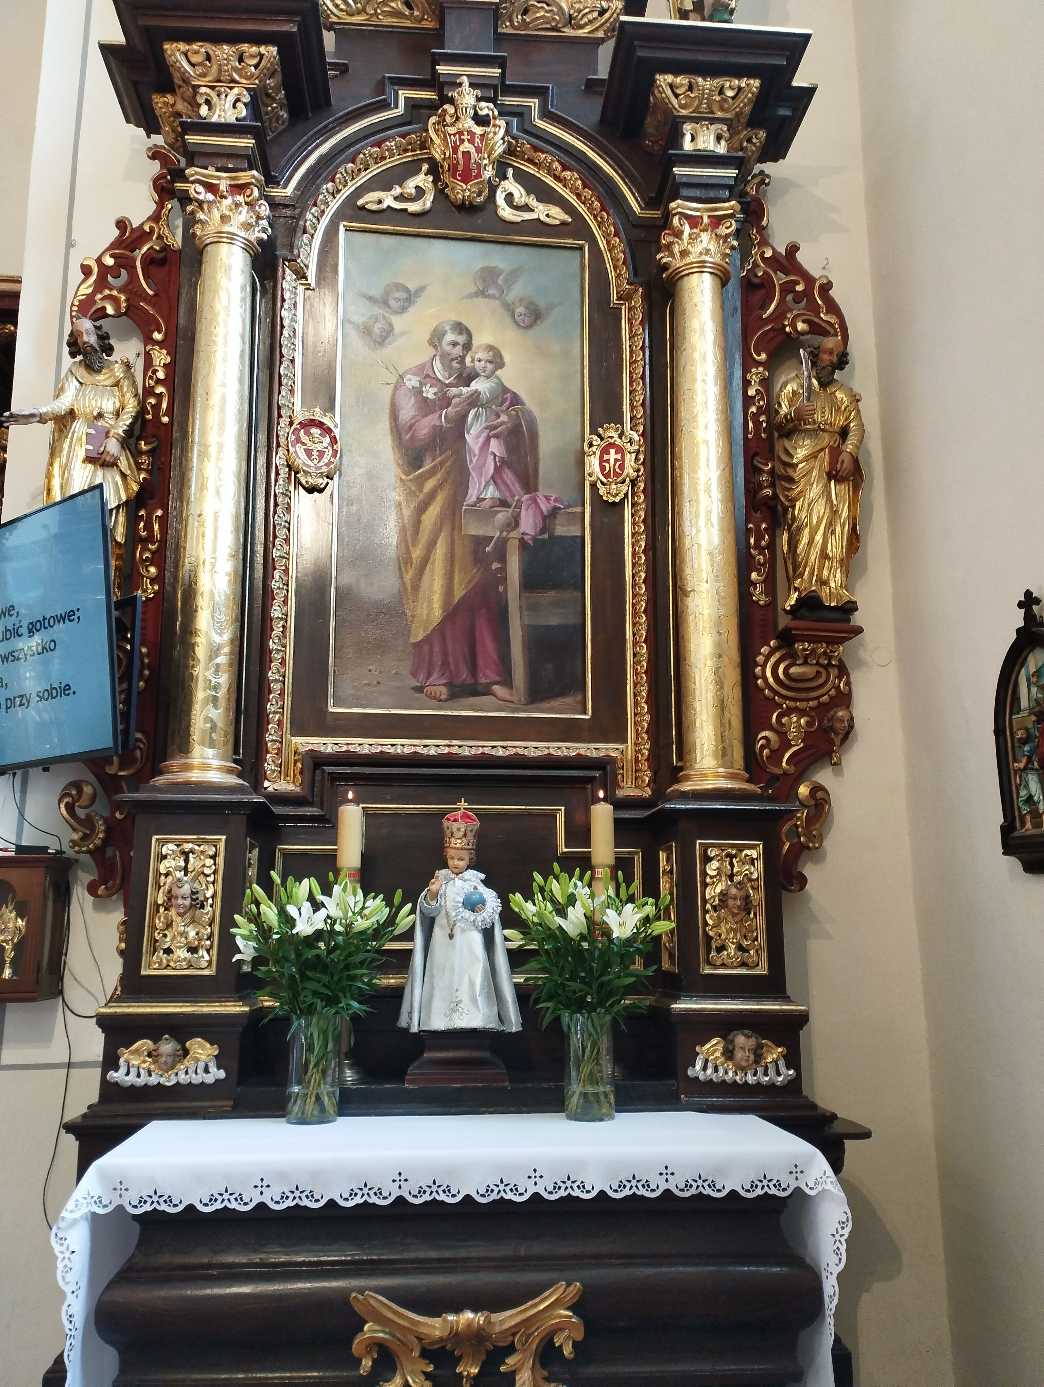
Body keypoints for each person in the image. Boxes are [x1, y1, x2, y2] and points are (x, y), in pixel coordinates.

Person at [390, 320, 520, 703]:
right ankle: (438, 671)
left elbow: (512, 403)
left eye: (465, 345)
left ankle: (488, 674)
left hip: (472, 485)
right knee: (438, 575)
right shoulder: (412, 381)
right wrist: (448, 416)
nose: (460, 352)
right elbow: (409, 434)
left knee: (480, 576)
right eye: (452, 344)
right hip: (430, 490)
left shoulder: (477, 375)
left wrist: (512, 418)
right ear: (435, 344)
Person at [2, 316, 141, 543]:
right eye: (78, 336)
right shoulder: (75, 372)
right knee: (74, 508)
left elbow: (132, 406)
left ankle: (107, 558)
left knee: (107, 509)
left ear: (99, 337)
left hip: (107, 448)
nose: (84, 339)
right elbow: (63, 404)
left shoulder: (120, 372)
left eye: (88, 333)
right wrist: (37, 413)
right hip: (77, 450)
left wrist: (116, 437)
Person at [398, 806, 522, 1034]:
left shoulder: (476, 885)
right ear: (446, 856)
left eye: (461, 858)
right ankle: (436, 1019)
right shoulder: (439, 882)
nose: (456, 862)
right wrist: (432, 894)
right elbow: (428, 912)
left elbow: (488, 917)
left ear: (470, 859)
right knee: (441, 976)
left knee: (473, 976)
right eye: (452, 858)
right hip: (442, 944)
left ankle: (476, 1017)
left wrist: (483, 910)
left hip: (469, 943)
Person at [773, 335, 864, 613]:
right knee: (806, 521)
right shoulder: (794, 387)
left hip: (833, 466)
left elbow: (856, 427)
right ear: (815, 355)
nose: (830, 360)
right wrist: (795, 415)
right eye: (826, 353)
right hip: (802, 460)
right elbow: (778, 421)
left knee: (834, 522)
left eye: (836, 355)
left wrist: (849, 452)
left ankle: (833, 587)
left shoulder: (843, 395)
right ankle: (804, 585)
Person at [1014, 725, 1043, 830]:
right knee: (1022, 800)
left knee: (1038, 796)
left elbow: (1022, 765)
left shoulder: (1029, 746)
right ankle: (1028, 824)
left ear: (1027, 735)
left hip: (1032, 774)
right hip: (1025, 775)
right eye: (1017, 734)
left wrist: (1016, 765)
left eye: (1022, 734)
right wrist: (1018, 776)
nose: (1020, 736)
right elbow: (1021, 765)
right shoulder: (1019, 749)